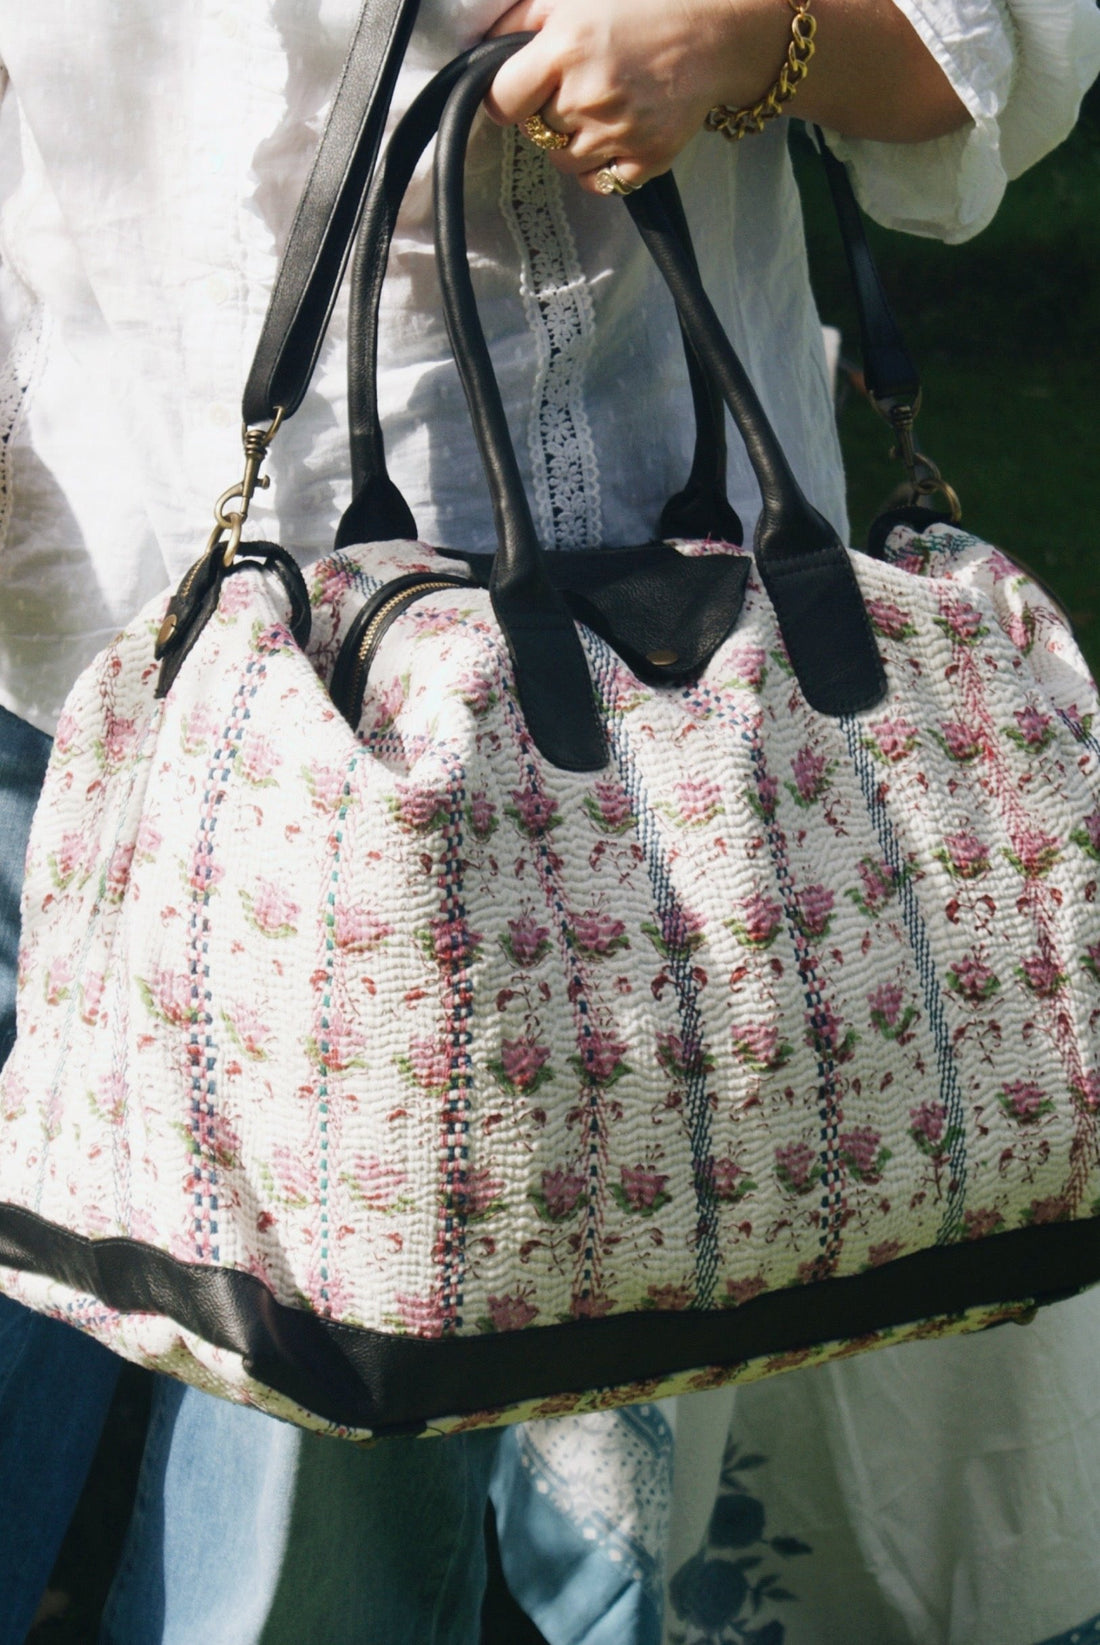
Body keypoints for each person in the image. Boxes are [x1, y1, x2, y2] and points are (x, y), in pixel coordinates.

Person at [0, 1, 1097, 1641]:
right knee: (278, 1467)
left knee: (606, 1456)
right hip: (141, 630)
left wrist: (746, 35)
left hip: (711, 725)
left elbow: (1010, 42)